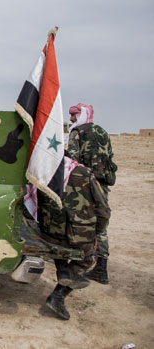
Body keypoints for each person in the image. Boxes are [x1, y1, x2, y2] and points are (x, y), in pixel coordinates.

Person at [38, 157, 111, 320]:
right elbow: (104, 211)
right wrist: (96, 232)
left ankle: (63, 269)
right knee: (87, 259)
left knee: (59, 250)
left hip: (49, 231)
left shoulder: (42, 170)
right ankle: (58, 294)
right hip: (78, 234)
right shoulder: (83, 173)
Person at [65, 103, 117, 284]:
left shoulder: (77, 132)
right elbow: (109, 157)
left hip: (84, 186)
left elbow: (72, 159)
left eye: (73, 115)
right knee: (100, 222)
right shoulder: (102, 132)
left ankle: (78, 262)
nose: (71, 118)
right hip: (102, 184)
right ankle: (101, 266)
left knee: (79, 221)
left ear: (80, 115)